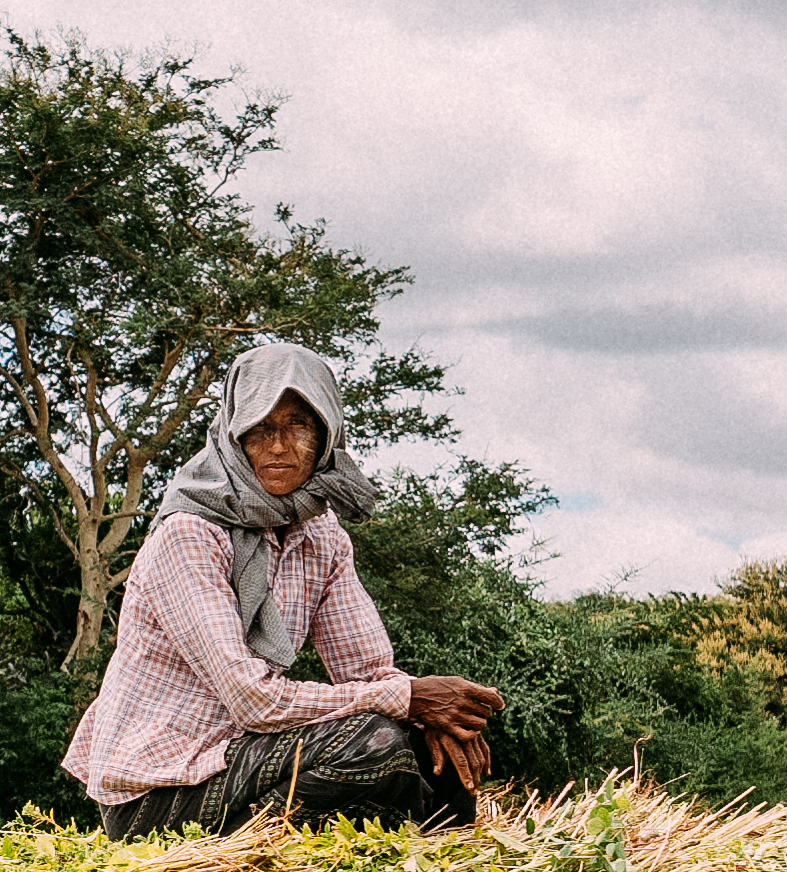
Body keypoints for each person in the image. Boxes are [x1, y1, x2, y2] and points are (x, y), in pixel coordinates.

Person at [62, 342, 503, 834]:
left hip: (245, 759)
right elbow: (253, 700)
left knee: (427, 746)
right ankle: (242, 863)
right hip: (160, 793)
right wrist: (409, 699)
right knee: (374, 743)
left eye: (298, 425)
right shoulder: (189, 535)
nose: (278, 445)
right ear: (234, 435)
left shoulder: (321, 535)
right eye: (261, 428)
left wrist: (432, 719)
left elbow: (370, 671)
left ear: (326, 434)